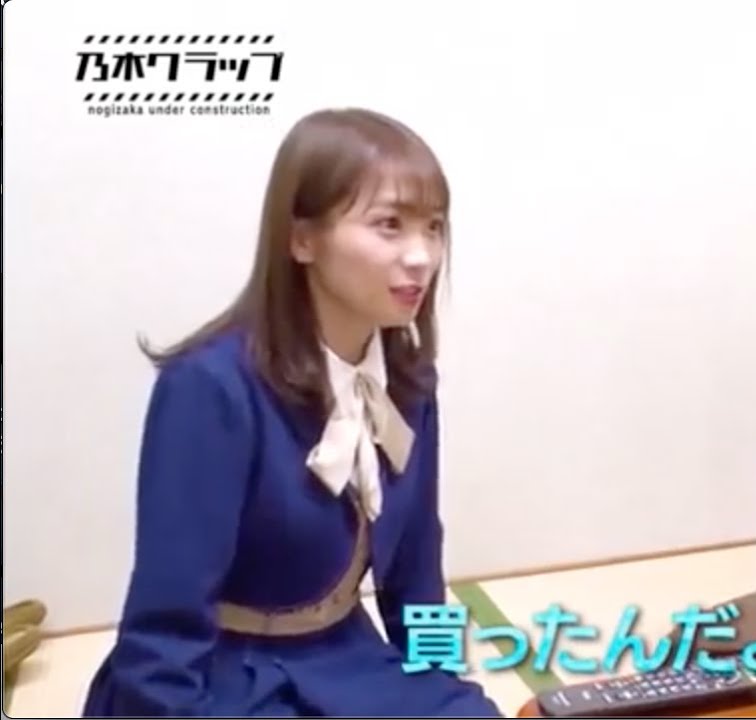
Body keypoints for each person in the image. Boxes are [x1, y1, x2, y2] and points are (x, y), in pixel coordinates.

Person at [82, 108, 504, 717]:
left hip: (345, 658)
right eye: (389, 225)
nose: (422, 256)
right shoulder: (209, 388)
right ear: (301, 238)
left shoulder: (408, 382)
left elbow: (416, 568)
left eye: (434, 228)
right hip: (219, 675)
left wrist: (439, 690)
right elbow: (165, 620)